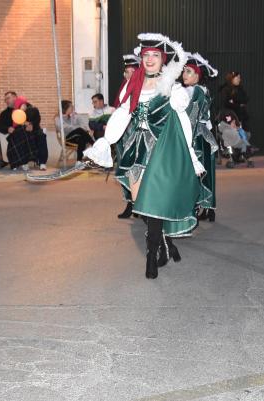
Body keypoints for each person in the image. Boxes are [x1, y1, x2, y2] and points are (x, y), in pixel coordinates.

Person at [83, 33, 206, 279]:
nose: (150, 60)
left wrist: (191, 155)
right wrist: (104, 144)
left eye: (155, 56)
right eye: (146, 55)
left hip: (162, 152)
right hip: (137, 149)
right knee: (143, 207)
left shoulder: (171, 84)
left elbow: (182, 121)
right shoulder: (134, 84)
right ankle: (165, 243)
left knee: (153, 203)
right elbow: (122, 115)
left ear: (163, 60)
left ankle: (152, 255)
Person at [182, 52, 219, 225]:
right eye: (184, 71)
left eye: (189, 71)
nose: (184, 74)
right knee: (207, 173)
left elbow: (190, 117)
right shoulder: (204, 91)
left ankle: (194, 209)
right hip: (205, 136)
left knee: (194, 174)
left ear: (197, 75)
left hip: (196, 137)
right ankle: (208, 209)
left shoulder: (193, 91)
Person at [114, 54, 140, 219]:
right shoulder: (124, 87)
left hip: (135, 134)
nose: (128, 74)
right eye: (126, 71)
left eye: (132, 71)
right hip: (122, 134)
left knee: (136, 169)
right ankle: (130, 203)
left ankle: (139, 204)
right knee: (124, 168)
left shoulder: (142, 87)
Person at [6, 96, 48, 171]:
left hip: (35, 130)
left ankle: (42, 162)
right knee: (17, 137)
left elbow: (37, 120)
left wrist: (31, 124)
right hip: (23, 132)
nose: (23, 106)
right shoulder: (15, 112)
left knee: (41, 136)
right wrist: (10, 128)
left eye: (24, 104)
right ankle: (21, 162)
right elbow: (14, 124)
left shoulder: (33, 110)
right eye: (21, 105)